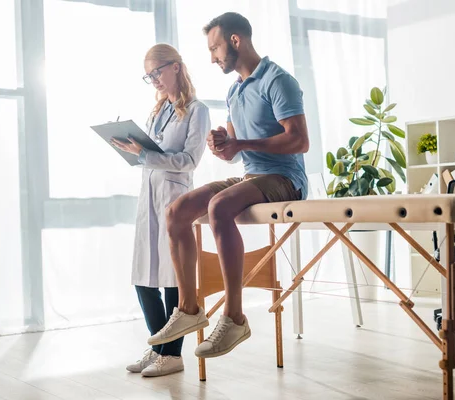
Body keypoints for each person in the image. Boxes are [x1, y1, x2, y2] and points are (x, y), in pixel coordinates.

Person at [147, 12, 309, 359]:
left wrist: (242, 145)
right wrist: (223, 144)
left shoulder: (277, 80)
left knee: (219, 206)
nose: (212, 57)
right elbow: (235, 152)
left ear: (235, 41)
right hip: (252, 175)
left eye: (215, 47)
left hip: (286, 178)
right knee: (177, 212)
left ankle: (235, 317)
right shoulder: (234, 90)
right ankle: (189, 309)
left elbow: (299, 141)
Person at [111, 43, 210, 377]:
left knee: (171, 277)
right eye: (148, 75)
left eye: (157, 72)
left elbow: (189, 160)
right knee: (143, 275)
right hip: (149, 195)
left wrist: (144, 154)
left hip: (174, 197)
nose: (153, 79)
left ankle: (173, 355)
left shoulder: (197, 110)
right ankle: (157, 348)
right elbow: (148, 154)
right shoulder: (156, 111)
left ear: (176, 67)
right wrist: (133, 150)